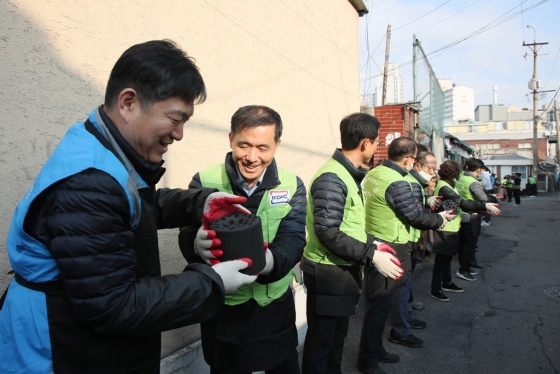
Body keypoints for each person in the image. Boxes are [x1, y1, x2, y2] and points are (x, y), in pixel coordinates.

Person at [0, 40, 258, 373]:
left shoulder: (100, 146)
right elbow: (114, 306)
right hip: (58, 351)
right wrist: (212, 282)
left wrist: (200, 201)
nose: (179, 134)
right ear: (129, 102)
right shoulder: (87, 183)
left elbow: (131, 205)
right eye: (175, 119)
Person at [179, 105, 307, 374]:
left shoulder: (291, 185)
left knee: (284, 366)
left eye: (263, 148)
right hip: (224, 307)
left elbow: (294, 238)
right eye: (244, 145)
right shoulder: (204, 181)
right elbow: (187, 233)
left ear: (276, 145)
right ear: (230, 139)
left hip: (273, 305)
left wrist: (268, 261)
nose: (251, 157)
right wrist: (194, 246)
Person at [300, 113, 403, 374]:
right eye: (377, 143)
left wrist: (374, 244)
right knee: (322, 341)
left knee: (336, 337)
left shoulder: (348, 174)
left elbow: (349, 225)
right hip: (328, 271)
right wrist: (371, 254)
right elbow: (327, 232)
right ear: (365, 143)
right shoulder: (333, 178)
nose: (377, 148)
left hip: (341, 268)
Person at [358, 137, 454, 374]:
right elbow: (414, 216)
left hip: (374, 242)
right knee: (379, 307)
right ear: (410, 159)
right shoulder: (396, 181)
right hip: (392, 246)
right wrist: (440, 219)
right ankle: (367, 359)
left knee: (377, 305)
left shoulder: (373, 174)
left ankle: (375, 350)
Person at [430, 161, 500, 301]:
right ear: (455, 172)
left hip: (452, 226)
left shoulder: (449, 184)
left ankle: (447, 282)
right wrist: (484, 205)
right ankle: (435, 289)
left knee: (447, 258)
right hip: (445, 228)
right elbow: (461, 202)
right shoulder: (445, 187)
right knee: (442, 260)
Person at [455, 158, 497, 281]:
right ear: (478, 170)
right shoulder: (474, 182)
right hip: (471, 215)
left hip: (459, 214)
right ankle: (464, 270)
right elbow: (483, 199)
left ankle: (465, 266)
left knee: (462, 243)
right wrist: (493, 198)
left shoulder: (460, 178)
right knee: (470, 244)